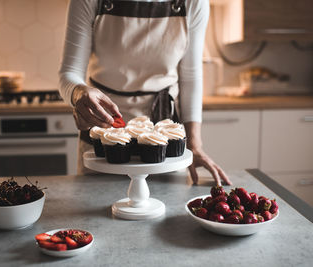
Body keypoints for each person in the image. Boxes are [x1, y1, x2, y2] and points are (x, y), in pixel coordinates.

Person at [59, 0, 232, 186]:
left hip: (165, 140)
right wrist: (78, 93)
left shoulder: (193, 2)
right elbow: (70, 72)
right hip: (103, 136)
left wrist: (195, 146)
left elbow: (190, 77)